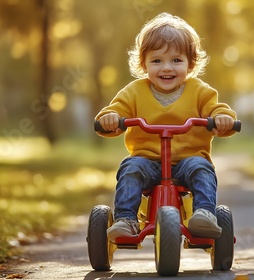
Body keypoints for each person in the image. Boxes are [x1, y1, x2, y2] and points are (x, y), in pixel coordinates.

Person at [95, 12, 237, 242]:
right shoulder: (134, 92)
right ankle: (126, 219)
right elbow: (114, 111)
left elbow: (218, 110)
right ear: (144, 64)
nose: (166, 68)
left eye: (176, 60)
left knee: (202, 168)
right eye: (157, 60)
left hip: (187, 160)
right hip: (147, 161)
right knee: (131, 167)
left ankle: (204, 215)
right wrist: (110, 118)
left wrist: (222, 119)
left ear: (190, 64)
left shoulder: (200, 91)